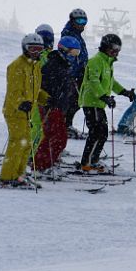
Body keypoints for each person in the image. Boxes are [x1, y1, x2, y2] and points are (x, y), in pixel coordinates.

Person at [0, 34, 49, 187]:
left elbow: (35, 89)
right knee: (18, 142)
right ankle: (7, 177)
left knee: (27, 143)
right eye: (32, 49)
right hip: (15, 111)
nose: (36, 53)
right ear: (25, 48)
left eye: (39, 49)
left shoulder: (35, 66)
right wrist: (21, 103)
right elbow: (13, 91)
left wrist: (46, 99)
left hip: (27, 112)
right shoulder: (17, 66)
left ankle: (19, 174)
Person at [78, 34, 135, 172]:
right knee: (97, 132)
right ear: (105, 47)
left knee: (102, 133)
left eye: (118, 49)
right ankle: (87, 163)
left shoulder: (107, 62)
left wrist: (125, 92)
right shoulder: (96, 61)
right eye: (113, 49)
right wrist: (104, 97)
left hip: (98, 103)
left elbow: (111, 83)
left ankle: (93, 161)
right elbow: (93, 81)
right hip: (92, 102)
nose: (116, 52)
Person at [33, 36, 81, 172]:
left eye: (77, 53)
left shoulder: (62, 64)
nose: (74, 56)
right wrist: (50, 100)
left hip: (58, 107)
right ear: (64, 50)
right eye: (73, 52)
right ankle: (43, 165)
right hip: (51, 107)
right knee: (58, 138)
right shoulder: (54, 65)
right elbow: (43, 85)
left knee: (54, 137)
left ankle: (44, 163)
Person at [61, 8, 90, 138]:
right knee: (72, 100)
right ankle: (64, 125)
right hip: (73, 74)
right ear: (72, 21)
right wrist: (73, 71)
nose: (82, 24)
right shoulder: (69, 34)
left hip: (79, 73)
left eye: (84, 21)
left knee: (76, 101)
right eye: (79, 21)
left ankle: (66, 124)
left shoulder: (76, 34)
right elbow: (69, 55)